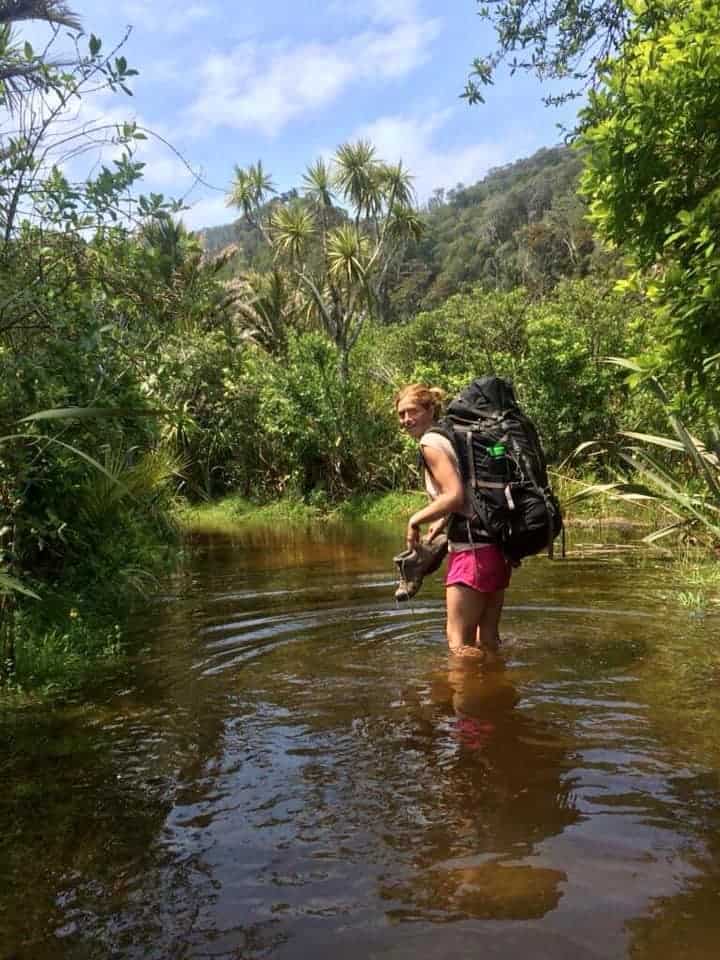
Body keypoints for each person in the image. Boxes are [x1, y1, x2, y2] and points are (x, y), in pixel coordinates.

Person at [395, 383, 512, 659]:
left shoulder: (430, 443)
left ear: (430, 409)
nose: (406, 420)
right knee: (489, 638)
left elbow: (455, 496)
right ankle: (498, 694)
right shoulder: (453, 433)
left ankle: (468, 698)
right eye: (400, 414)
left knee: (458, 643)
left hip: (472, 551)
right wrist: (441, 522)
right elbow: (468, 487)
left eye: (412, 411)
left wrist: (415, 520)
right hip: (497, 544)